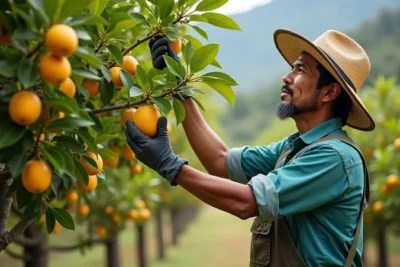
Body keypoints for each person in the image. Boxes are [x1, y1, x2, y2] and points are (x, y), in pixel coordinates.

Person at [125, 29, 375, 267]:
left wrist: (170, 165)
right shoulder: (293, 149)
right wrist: (180, 88)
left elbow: (246, 202)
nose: (286, 77)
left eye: (300, 70)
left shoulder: (334, 158)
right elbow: (220, 160)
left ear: (329, 92)